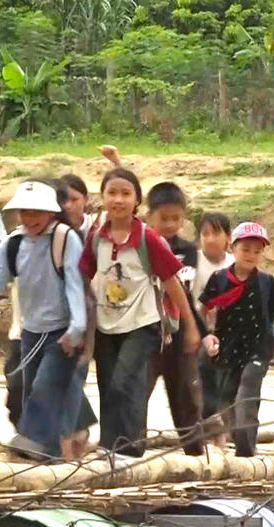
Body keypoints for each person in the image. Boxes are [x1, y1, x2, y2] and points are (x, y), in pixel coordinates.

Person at [80, 168, 200, 457]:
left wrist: (191, 327)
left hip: (143, 324)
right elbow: (83, 276)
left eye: (125, 193)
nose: (118, 200)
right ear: (102, 197)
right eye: (112, 193)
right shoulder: (97, 238)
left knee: (124, 382)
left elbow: (173, 283)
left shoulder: (149, 239)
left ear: (136, 201)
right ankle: (110, 449)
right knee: (108, 388)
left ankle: (131, 449)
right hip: (106, 325)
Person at [0, 181, 87, 460]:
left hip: (63, 331)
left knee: (46, 386)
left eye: (36, 212)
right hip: (30, 332)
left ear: (51, 213)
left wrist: (77, 328)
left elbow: (75, 284)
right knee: (29, 392)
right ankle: (48, 452)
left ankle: (30, 440)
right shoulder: (13, 242)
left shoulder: (65, 238)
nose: (30, 219)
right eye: (24, 212)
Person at [200, 222, 274, 457]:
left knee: (248, 386)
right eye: (246, 249)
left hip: (259, 346)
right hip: (228, 347)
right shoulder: (219, 280)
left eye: (257, 251)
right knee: (226, 396)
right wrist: (207, 335)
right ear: (232, 248)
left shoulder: (267, 283)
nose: (251, 255)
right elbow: (202, 310)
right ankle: (239, 440)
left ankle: (247, 448)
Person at [144, 181, 206, 455]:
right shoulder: (140, 244)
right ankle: (131, 449)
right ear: (150, 217)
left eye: (175, 219)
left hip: (179, 332)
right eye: (163, 218)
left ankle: (195, 452)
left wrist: (198, 332)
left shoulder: (187, 250)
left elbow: (185, 294)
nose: (170, 224)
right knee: (137, 392)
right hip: (146, 331)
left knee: (185, 396)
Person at [194, 212, 234, 445]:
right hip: (200, 331)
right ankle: (209, 429)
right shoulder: (194, 261)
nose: (210, 239)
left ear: (227, 237)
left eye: (216, 233)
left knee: (228, 384)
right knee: (204, 377)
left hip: (230, 333)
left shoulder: (234, 263)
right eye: (205, 234)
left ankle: (227, 431)